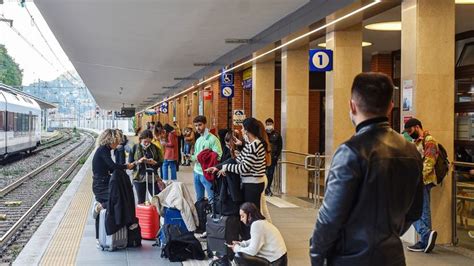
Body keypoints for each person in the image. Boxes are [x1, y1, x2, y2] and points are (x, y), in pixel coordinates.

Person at [309, 73, 423, 266]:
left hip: (350, 259)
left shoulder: (350, 152)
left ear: (352, 105)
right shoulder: (411, 150)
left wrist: (316, 256)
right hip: (392, 257)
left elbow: (329, 218)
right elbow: (414, 211)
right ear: (390, 107)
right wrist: (386, 235)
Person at [207, 117, 269, 212]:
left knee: (252, 214)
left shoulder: (255, 145)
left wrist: (226, 167)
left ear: (248, 130)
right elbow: (238, 160)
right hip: (249, 183)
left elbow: (244, 168)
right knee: (250, 212)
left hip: (253, 184)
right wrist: (218, 167)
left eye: (243, 128)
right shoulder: (250, 144)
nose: (242, 130)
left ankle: (257, 227)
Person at [404, 118, 439, 253]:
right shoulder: (416, 141)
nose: (408, 133)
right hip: (418, 180)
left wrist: (418, 180)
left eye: (410, 130)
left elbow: (429, 162)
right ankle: (426, 241)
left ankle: (425, 236)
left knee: (409, 211)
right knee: (424, 212)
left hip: (423, 181)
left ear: (417, 127)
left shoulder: (429, 141)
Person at [92, 129, 134, 240]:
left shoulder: (105, 150)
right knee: (116, 199)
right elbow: (113, 166)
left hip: (104, 182)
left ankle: (102, 236)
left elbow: (110, 168)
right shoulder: (103, 150)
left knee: (119, 197)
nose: (119, 143)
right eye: (117, 140)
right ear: (111, 140)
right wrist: (126, 166)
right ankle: (99, 207)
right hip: (100, 185)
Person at [190, 115, 222, 203]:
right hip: (196, 171)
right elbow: (196, 155)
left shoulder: (213, 139)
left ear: (205, 124)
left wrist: (205, 158)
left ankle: (213, 216)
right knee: (199, 199)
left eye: (200, 125)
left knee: (212, 198)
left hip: (206, 173)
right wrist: (191, 157)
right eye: (196, 125)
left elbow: (218, 155)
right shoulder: (198, 140)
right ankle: (202, 216)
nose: (197, 128)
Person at [129, 129, 163, 204]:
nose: (147, 143)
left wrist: (155, 163)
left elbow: (160, 162)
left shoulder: (155, 148)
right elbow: (130, 164)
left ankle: (156, 214)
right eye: (145, 141)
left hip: (152, 176)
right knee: (141, 200)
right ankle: (141, 215)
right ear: (140, 139)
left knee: (156, 198)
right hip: (139, 177)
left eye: (149, 142)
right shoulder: (135, 148)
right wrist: (138, 161)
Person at [264, 118, 282, 196]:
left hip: (272, 158)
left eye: (270, 124)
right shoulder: (263, 134)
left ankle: (268, 188)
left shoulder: (277, 134)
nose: (269, 125)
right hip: (264, 157)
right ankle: (264, 188)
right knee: (264, 173)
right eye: (267, 124)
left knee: (270, 174)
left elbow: (280, 146)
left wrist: (276, 156)